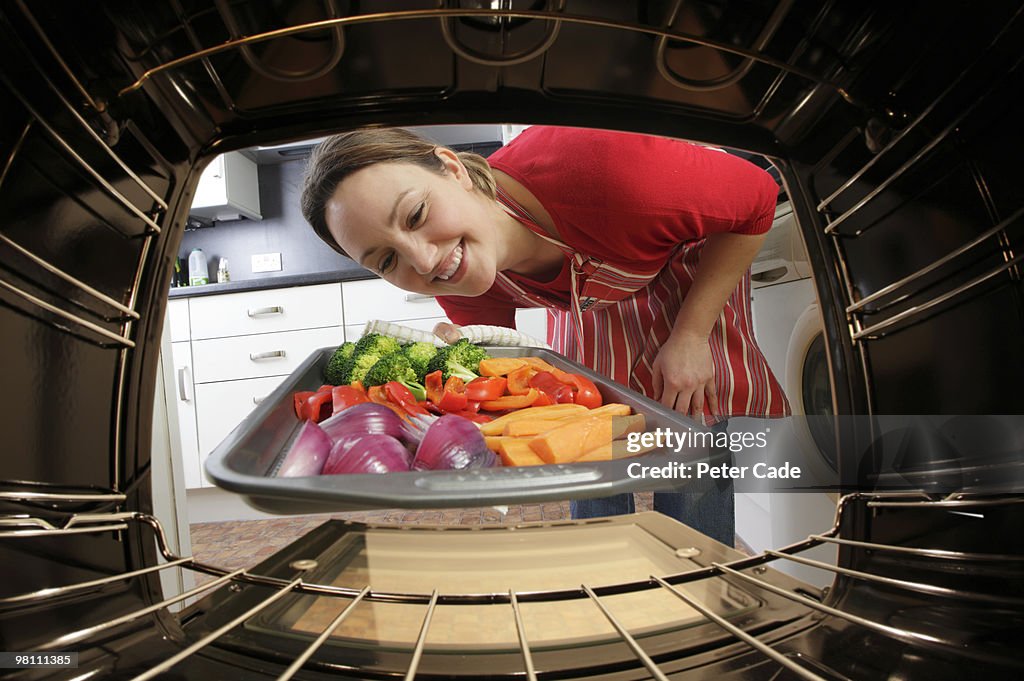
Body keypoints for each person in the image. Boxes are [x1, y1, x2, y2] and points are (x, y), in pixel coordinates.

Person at [300, 125, 790, 546]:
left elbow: (756, 199)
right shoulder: (462, 276)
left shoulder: (605, 171)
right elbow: (499, 387)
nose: (424, 261)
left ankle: (699, 581)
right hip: (589, 299)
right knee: (579, 424)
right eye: (387, 259)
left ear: (452, 169)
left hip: (686, 276)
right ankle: (603, 573)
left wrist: (692, 335)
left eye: (416, 215)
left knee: (692, 439)